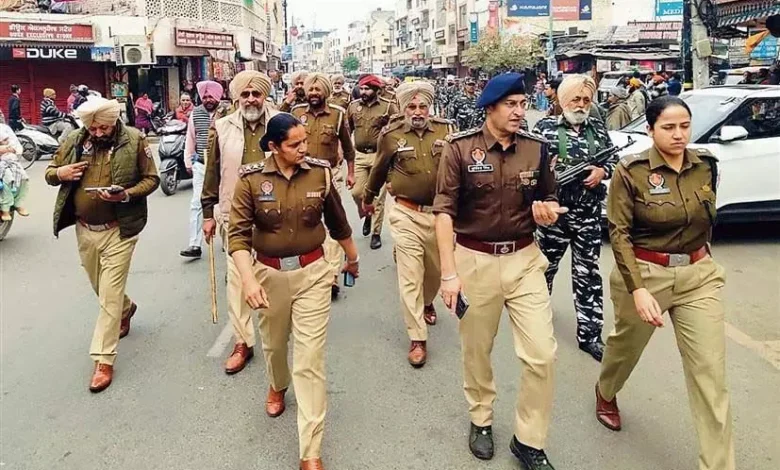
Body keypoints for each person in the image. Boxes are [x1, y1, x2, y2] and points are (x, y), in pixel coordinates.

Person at [596, 96, 733, 470]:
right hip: (645, 273)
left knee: (710, 375)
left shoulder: (706, 165)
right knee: (625, 347)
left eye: (684, 126)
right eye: (668, 127)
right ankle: (606, 391)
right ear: (650, 129)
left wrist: (702, 260)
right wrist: (638, 288)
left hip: (697, 277)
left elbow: (708, 220)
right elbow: (619, 234)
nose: (678, 134)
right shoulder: (630, 171)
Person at [434, 73, 561, 469]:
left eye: (523, 104)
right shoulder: (459, 149)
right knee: (477, 349)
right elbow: (443, 213)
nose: (520, 112)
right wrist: (449, 273)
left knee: (542, 354)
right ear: (490, 107)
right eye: (511, 105)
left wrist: (548, 212)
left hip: (524, 260)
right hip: (475, 260)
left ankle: (529, 439)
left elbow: (549, 198)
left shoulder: (536, 150)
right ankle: (481, 418)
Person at [229, 113, 359, 470]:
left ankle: (310, 451)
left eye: (305, 142)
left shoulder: (318, 172)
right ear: (273, 147)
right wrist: (249, 279)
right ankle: (276, 383)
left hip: (314, 274)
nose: (304, 148)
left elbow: (336, 220)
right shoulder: (252, 181)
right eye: (295, 144)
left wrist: (351, 256)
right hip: (268, 275)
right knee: (273, 343)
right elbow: (238, 236)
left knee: (310, 359)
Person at [44, 97, 160, 392]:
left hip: (120, 230)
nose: (97, 133)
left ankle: (103, 359)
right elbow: (49, 171)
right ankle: (127, 308)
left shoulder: (134, 140)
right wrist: (61, 173)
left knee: (108, 295)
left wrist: (125, 194)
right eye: (92, 128)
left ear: (113, 122)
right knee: (100, 286)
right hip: (84, 230)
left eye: (102, 128)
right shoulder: (74, 139)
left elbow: (152, 179)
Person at [362, 81, 453, 367]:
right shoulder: (391, 135)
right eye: (411, 107)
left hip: (441, 215)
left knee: (435, 273)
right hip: (405, 213)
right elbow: (378, 169)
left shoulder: (445, 130)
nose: (417, 111)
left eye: (422, 106)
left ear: (430, 107)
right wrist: (368, 197)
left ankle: (428, 301)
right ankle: (417, 337)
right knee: (410, 275)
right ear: (403, 109)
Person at [533, 75, 617, 362]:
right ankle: (535, 322)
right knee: (543, 272)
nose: (581, 105)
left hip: (589, 217)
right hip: (553, 218)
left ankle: (590, 335)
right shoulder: (544, 128)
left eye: (585, 100)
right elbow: (531, 169)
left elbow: (613, 161)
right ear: (561, 100)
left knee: (588, 276)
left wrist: (602, 172)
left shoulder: (598, 128)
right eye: (575, 99)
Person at [201, 70, 279, 375]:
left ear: (264, 96)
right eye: (244, 95)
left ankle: (275, 334)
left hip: (274, 214)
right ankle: (242, 342)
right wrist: (208, 214)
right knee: (237, 280)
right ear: (236, 98)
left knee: (271, 277)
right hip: (234, 212)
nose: (250, 99)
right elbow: (212, 172)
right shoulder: (221, 127)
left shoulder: (281, 123)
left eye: (255, 94)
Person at [290, 73, 356, 298]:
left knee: (332, 224)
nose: (314, 93)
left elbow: (347, 147)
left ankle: (332, 276)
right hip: (301, 174)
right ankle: (307, 269)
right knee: (306, 222)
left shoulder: (338, 115)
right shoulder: (296, 113)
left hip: (330, 174)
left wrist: (351, 173)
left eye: (318, 90)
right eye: (311, 90)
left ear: (326, 92)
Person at [346, 74, 398, 250]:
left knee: (379, 198)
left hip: (380, 156)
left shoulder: (388, 106)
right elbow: (347, 132)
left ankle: (376, 233)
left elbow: (397, 129)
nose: (364, 92)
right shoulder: (353, 106)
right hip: (360, 155)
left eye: (367, 89)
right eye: (362, 88)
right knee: (356, 192)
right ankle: (366, 214)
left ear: (376, 90)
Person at [180, 80, 224, 259]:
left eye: (210, 96)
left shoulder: (226, 112)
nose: (207, 99)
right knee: (197, 203)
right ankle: (194, 244)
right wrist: (188, 161)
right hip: (201, 163)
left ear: (218, 96)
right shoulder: (196, 113)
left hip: (222, 164)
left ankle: (226, 240)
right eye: (204, 96)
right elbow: (191, 138)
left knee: (223, 204)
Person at [0, 124, 29, 221]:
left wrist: (8, 149)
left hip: (6, 161)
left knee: (23, 177)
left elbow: (17, 147)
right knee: (7, 178)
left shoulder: (4, 128)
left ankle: (17, 203)